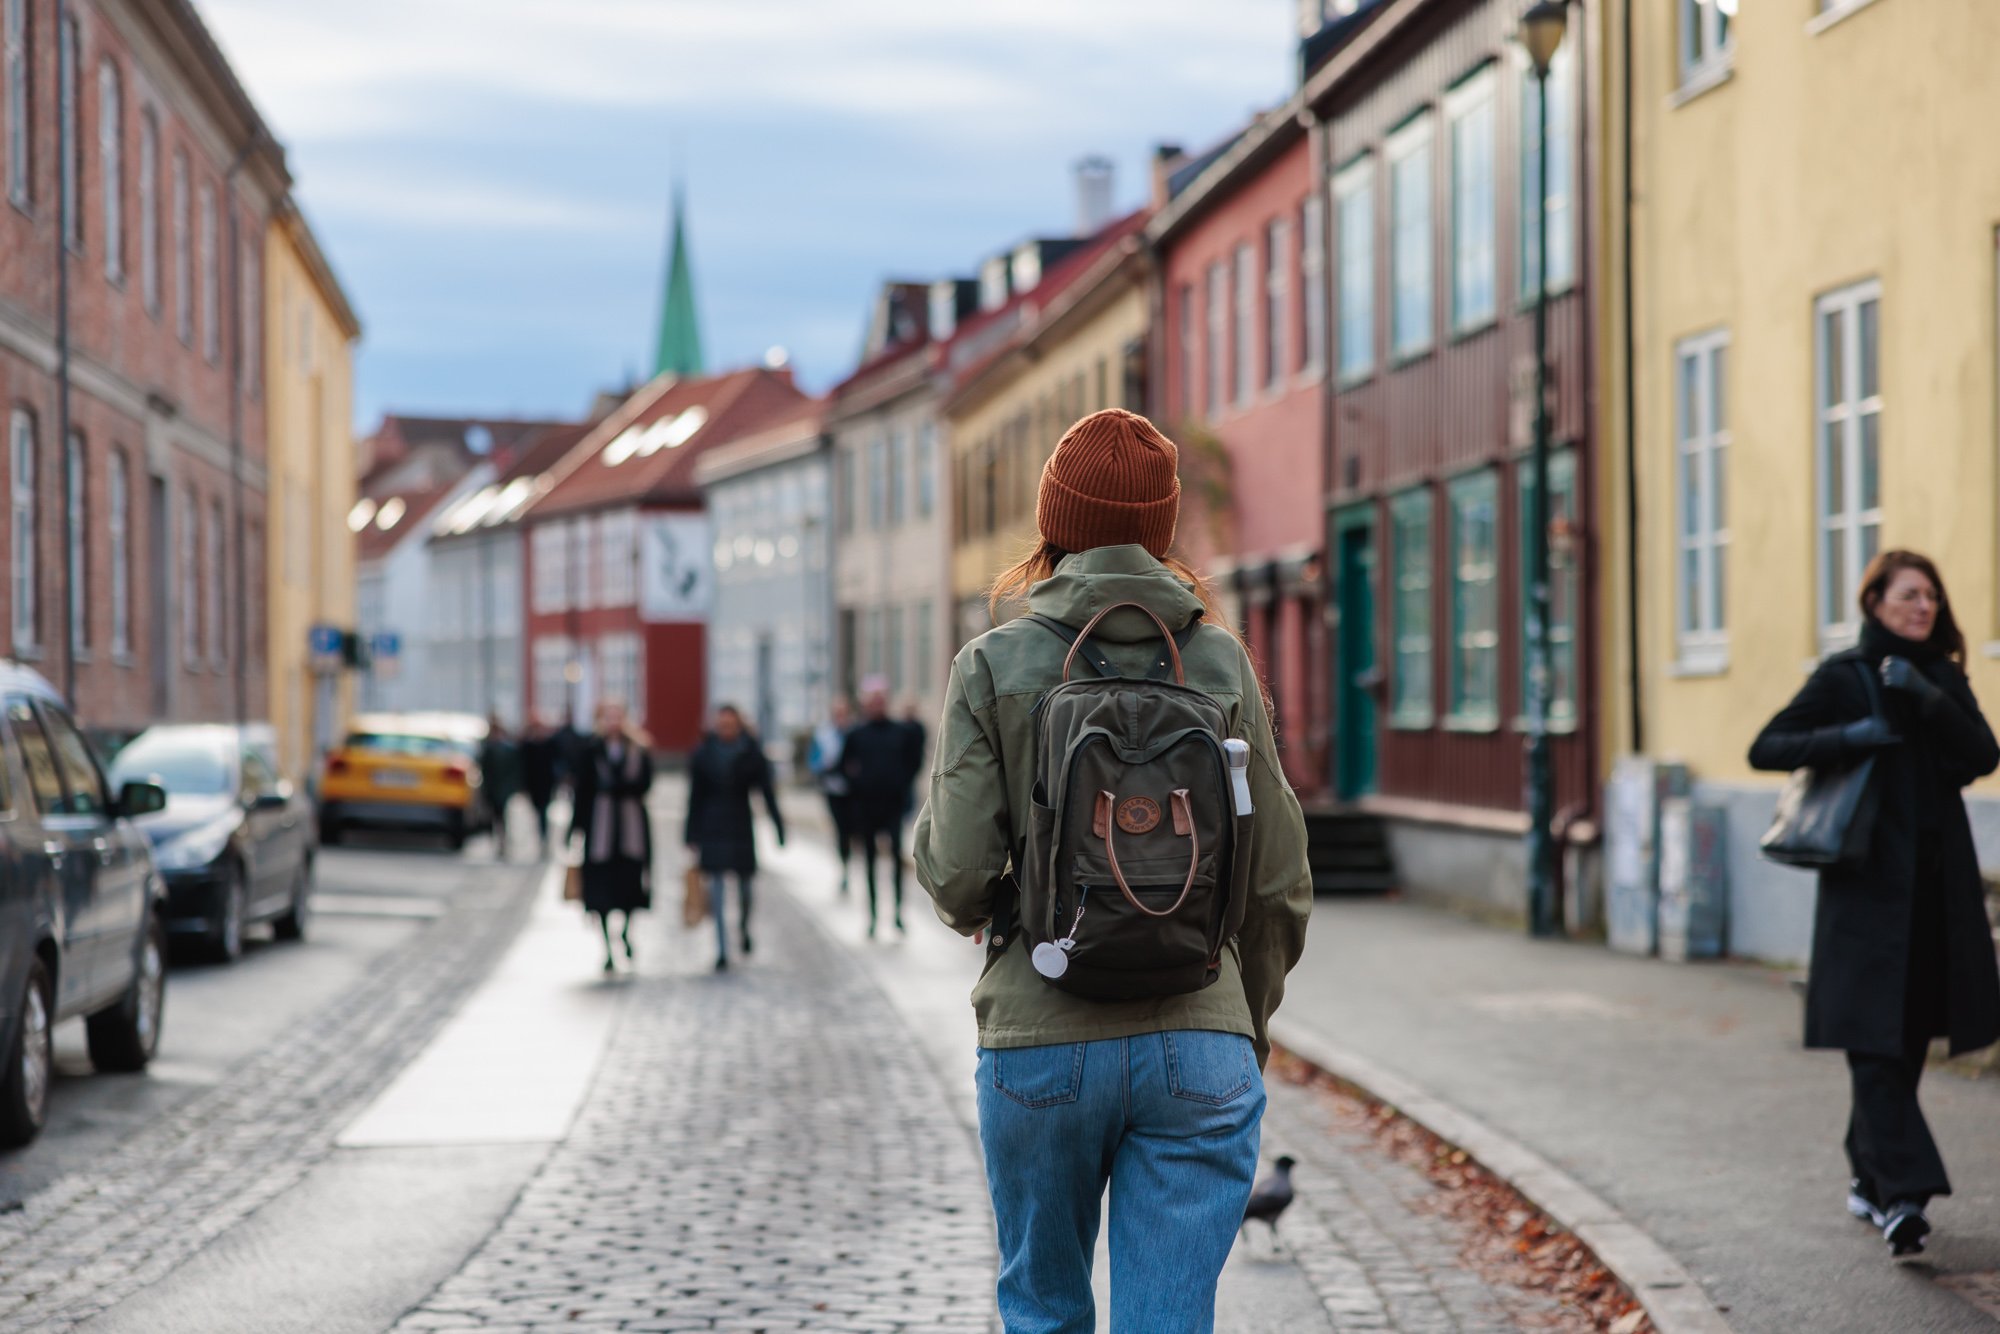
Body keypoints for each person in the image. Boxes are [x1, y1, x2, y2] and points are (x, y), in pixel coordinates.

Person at [912, 408, 1312, 1331]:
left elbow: (959, 872)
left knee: (1045, 1310)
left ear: (1056, 521)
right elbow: (1278, 878)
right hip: (1199, 1041)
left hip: (1040, 1040)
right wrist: (1237, 1027)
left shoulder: (993, 663)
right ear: (1162, 529)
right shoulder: (1219, 661)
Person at [1750, 549, 2000, 1258]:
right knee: (1874, 1047)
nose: (1923, 607)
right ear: (1875, 603)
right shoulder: (1844, 677)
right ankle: (1904, 1196)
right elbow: (1767, 746)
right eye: (1909, 595)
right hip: (1864, 897)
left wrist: (1926, 696)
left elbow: (1985, 754)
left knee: (1908, 1041)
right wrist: (1849, 737)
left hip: (1935, 893)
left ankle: (1867, 1173)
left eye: (1931, 597)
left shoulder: (1942, 677)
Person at [685, 704, 785, 971]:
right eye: (722, 724)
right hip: (713, 826)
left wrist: (778, 825)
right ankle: (721, 947)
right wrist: (691, 833)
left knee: (746, 888)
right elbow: (694, 797)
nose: (726, 728)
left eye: (731, 724)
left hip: (740, 825)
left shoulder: (751, 753)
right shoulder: (703, 754)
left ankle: (743, 927)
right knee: (715, 889)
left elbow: (766, 791)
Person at [569, 701, 654, 973]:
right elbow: (581, 793)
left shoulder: (638, 750)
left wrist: (619, 787)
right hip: (600, 835)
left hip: (630, 833)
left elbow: (646, 784)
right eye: (608, 717)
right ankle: (607, 947)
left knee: (629, 891)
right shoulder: (591, 751)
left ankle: (626, 933)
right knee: (600, 896)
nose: (613, 722)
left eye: (617, 716)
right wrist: (575, 829)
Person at [843, 682, 918, 938]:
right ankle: (873, 915)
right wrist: (858, 784)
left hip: (893, 806)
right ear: (866, 704)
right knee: (870, 864)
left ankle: (897, 913)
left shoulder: (900, 732)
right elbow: (845, 766)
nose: (877, 705)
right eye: (872, 701)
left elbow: (913, 762)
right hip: (866, 807)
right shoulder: (857, 734)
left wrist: (902, 784)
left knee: (896, 859)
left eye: (880, 700)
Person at [809, 699, 855, 895]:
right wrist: (824, 767)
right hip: (833, 790)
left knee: (852, 831)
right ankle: (844, 866)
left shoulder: (855, 733)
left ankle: (849, 862)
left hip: (854, 792)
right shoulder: (824, 736)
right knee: (841, 830)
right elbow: (814, 761)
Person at [479, 714, 522, 859]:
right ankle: (498, 840)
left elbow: (514, 770)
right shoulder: (489, 748)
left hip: (503, 789)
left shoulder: (507, 749)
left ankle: (502, 841)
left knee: (501, 815)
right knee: (495, 816)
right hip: (493, 788)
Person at [520, 713, 561, 856]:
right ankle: (541, 836)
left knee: (543, 811)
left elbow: (556, 763)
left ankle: (544, 837)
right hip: (534, 784)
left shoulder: (550, 743)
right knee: (538, 811)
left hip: (546, 783)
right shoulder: (528, 744)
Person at [897, 695, 927, 827]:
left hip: (913, 764)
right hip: (903, 766)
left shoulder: (917, 727)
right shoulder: (901, 727)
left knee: (910, 791)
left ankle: (908, 813)